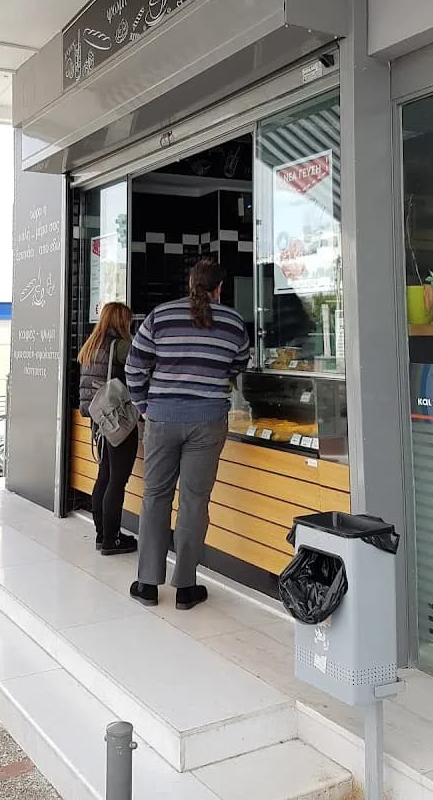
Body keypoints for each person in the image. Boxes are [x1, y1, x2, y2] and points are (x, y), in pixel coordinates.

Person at [125, 259, 250, 609]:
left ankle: (147, 583)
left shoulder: (161, 316)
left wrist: (143, 405)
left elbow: (134, 365)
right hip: (208, 421)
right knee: (195, 502)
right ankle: (185, 587)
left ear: (191, 283)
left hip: (161, 418)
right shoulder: (234, 322)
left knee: (155, 497)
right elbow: (240, 366)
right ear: (219, 288)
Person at [78, 301, 138, 556]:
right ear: (120, 322)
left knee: (104, 475)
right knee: (117, 479)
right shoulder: (121, 346)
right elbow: (144, 367)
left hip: (98, 419)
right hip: (118, 419)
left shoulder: (91, 346)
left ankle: (102, 534)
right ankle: (112, 538)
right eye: (128, 321)